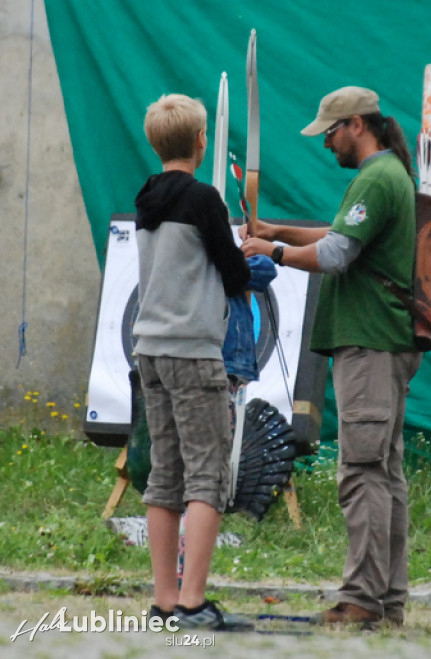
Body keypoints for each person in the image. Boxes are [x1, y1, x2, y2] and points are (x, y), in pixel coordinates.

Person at [241, 86, 421, 628]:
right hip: (381, 342)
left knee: (362, 472)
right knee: (384, 474)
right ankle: (385, 602)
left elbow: (337, 254)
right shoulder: (388, 176)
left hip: (369, 343)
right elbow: (342, 235)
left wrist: (271, 252)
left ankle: (363, 599)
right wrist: (277, 231)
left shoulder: (376, 178)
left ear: (357, 126)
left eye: (330, 132)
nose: (325, 143)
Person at [133, 93, 253, 630]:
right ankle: (193, 601)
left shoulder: (146, 195)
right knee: (208, 476)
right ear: (201, 142)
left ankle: (164, 600)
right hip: (192, 350)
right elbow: (233, 272)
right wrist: (246, 252)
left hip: (150, 349)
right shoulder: (205, 198)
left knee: (165, 474)